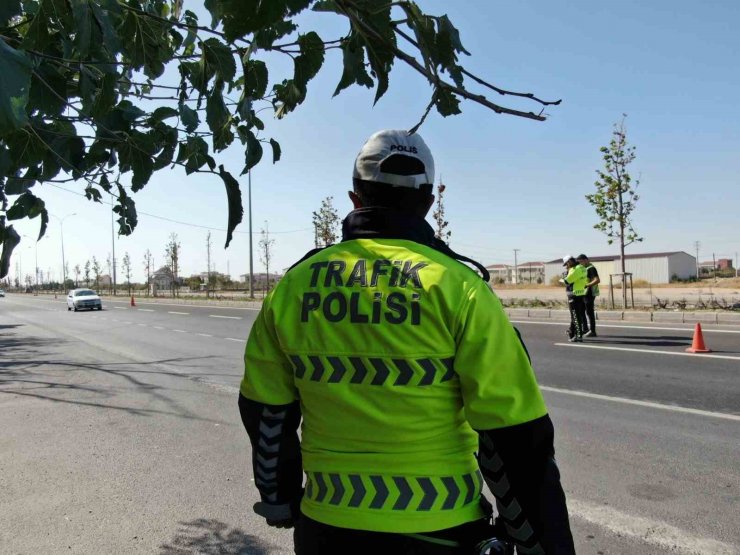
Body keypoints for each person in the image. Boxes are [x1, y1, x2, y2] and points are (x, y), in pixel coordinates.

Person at [238, 129, 575, 555]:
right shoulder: (461, 288)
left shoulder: (293, 286)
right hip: (439, 528)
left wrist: (279, 498)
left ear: (355, 197)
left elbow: (267, 412)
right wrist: (537, 542)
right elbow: (513, 437)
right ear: (429, 202)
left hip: (327, 528)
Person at [559, 256, 587, 342]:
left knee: (575, 316)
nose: (567, 266)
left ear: (570, 261)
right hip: (580, 293)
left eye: (566, 264)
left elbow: (567, 281)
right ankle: (572, 332)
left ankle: (578, 336)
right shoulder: (582, 267)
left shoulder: (575, 269)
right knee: (577, 315)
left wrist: (562, 278)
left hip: (573, 295)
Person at [577, 254, 600, 337]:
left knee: (589, 312)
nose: (580, 264)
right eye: (579, 262)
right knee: (581, 311)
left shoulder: (591, 268)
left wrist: (587, 285)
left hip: (589, 293)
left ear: (586, 260)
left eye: (581, 262)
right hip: (583, 293)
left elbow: (597, 280)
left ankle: (592, 331)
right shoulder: (584, 268)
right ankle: (585, 329)